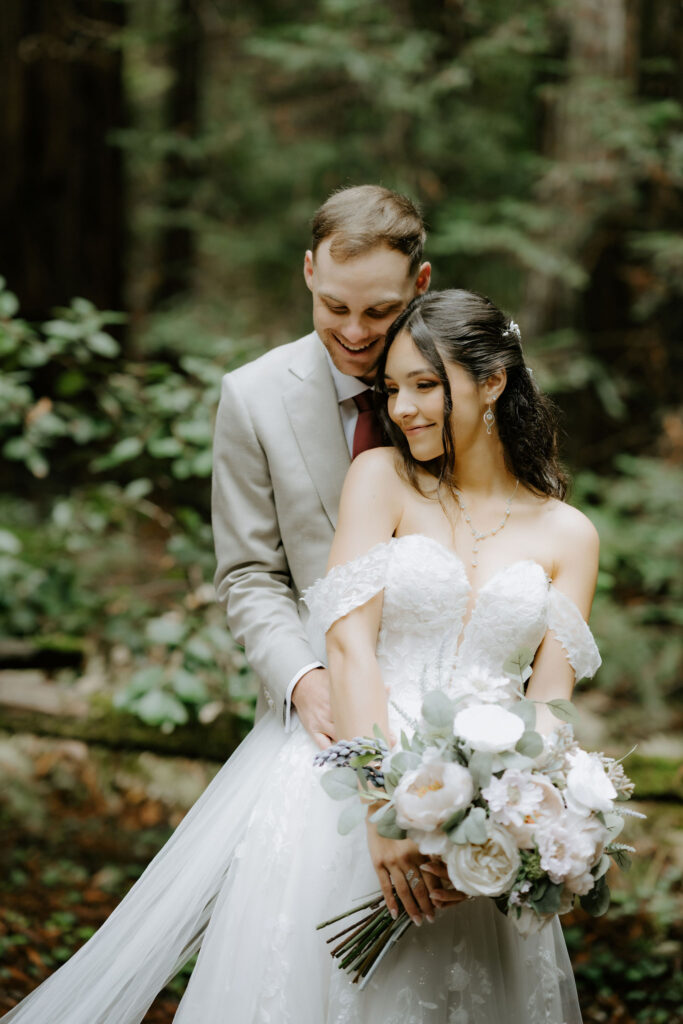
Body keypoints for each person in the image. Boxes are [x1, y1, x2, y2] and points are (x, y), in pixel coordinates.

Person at [3, 287, 602, 1023]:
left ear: (492, 383)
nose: (404, 407)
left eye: (425, 385)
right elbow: (348, 645)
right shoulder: (379, 478)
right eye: (393, 388)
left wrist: (511, 824)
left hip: (479, 837)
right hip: (352, 785)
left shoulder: (569, 535)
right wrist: (385, 813)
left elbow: (547, 704)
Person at [212, 184, 430, 748]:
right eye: (335, 307)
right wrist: (304, 682)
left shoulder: (458, 392)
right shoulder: (251, 397)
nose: (355, 333)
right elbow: (248, 574)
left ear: (420, 284)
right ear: (310, 271)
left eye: (380, 311)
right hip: (317, 716)